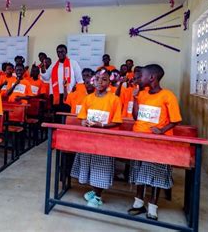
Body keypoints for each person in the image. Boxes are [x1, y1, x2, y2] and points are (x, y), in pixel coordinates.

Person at [128, 64, 182, 221]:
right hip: (140, 140)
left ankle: (153, 206)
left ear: (152, 77)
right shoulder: (142, 94)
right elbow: (136, 117)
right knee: (138, 170)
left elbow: (176, 120)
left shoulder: (167, 95)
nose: (138, 78)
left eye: (142, 75)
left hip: (158, 143)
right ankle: (138, 203)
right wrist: (135, 97)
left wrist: (163, 130)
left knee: (156, 173)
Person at [71, 69, 122, 208]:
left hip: (105, 140)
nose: (100, 82)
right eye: (98, 78)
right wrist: (84, 122)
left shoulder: (114, 99)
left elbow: (117, 121)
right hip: (89, 139)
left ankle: (98, 196)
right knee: (90, 165)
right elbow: (82, 117)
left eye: (104, 79)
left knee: (101, 167)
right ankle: (94, 191)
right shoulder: (88, 98)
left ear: (109, 82)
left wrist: (102, 126)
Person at [40, 44, 83, 118]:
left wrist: (75, 88)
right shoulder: (53, 65)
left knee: (67, 115)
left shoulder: (73, 63)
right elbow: (46, 77)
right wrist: (43, 70)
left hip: (68, 94)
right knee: (57, 116)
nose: (60, 54)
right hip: (55, 95)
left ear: (66, 52)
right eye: (58, 52)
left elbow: (80, 80)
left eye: (62, 51)